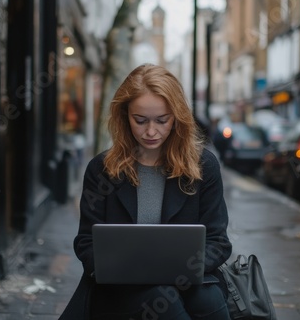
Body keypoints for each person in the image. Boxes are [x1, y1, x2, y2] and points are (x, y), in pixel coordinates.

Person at [59, 63, 232, 320]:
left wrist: (177, 274)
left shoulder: (203, 166)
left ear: (177, 117)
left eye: (162, 120)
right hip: (119, 289)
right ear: (124, 115)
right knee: (162, 298)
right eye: (140, 121)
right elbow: (86, 243)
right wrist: (116, 269)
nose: (151, 132)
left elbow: (218, 242)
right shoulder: (102, 169)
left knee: (197, 300)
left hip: (189, 284)